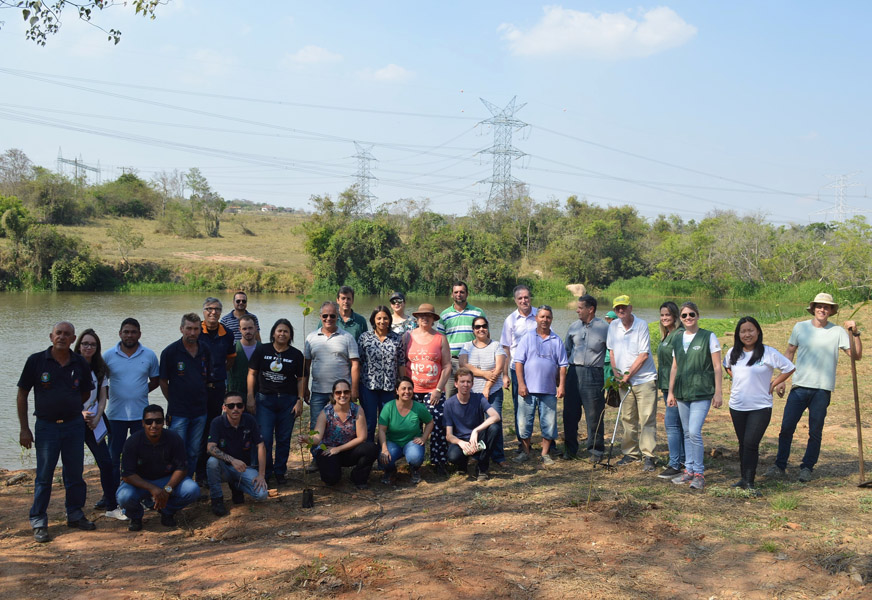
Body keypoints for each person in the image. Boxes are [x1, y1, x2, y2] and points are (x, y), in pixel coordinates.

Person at [766, 293, 861, 482]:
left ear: (831, 311)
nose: (822, 310)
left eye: (826, 307)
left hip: (822, 389)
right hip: (800, 386)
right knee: (786, 427)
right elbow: (790, 352)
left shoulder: (838, 332)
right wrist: (782, 379)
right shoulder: (800, 328)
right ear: (814, 308)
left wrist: (856, 334)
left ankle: (807, 467)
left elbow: (856, 355)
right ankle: (779, 465)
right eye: (819, 306)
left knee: (815, 431)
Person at [17, 321, 95, 543]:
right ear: (51, 337)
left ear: (73, 340)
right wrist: (24, 429)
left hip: (73, 425)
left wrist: (69, 408)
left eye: (67, 334)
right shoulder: (36, 361)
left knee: (75, 474)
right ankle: (39, 520)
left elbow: (84, 393)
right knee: (44, 476)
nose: (62, 337)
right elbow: (22, 395)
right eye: (58, 333)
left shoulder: (80, 362)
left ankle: (75, 514)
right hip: (46, 426)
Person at [724, 317, 795, 495]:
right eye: (743, 331)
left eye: (751, 330)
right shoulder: (733, 352)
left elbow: (789, 368)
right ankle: (743, 478)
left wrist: (774, 383)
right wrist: (738, 379)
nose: (747, 334)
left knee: (750, 442)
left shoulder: (768, 353)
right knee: (743, 443)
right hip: (737, 405)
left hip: (760, 406)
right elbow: (727, 367)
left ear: (758, 332)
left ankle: (749, 481)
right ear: (738, 334)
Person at [102, 318, 160, 509]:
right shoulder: (108, 356)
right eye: (126, 332)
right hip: (115, 416)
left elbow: (155, 380)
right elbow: (101, 385)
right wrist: (114, 395)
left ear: (139, 334)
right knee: (112, 459)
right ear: (120, 333)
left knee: (141, 459)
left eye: (133, 332)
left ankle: (142, 495)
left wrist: (139, 392)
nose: (129, 335)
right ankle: (110, 498)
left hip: (140, 417)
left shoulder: (149, 355)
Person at [666, 302, 723, 491]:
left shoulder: (708, 337)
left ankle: (699, 473)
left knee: (694, 431)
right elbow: (675, 367)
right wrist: (671, 392)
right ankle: (688, 470)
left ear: (698, 315)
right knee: (686, 431)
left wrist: (718, 391)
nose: (688, 318)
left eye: (691, 314)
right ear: (680, 319)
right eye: (684, 316)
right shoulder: (677, 338)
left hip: (702, 392)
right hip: (682, 393)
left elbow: (717, 367)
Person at [116, 405, 200, 531]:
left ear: (164, 422)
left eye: (158, 421)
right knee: (124, 496)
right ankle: (136, 516)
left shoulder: (174, 439)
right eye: (149, 421)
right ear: (143, 423)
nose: (154, 425)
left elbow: (181, 469)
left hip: (166, 480)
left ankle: (167, 511)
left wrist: (167, 490)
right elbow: (127, 475)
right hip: (140, 482)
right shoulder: (132, 442)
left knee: (192, 490)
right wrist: (152, 488)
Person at [74, 329, 125, 521]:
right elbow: (65, 396)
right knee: (75, 466)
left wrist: (97, 417)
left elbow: (103, 397)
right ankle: (75, 509)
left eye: (92, 344)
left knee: (106, 462)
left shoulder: (100, 368)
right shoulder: (71, 366)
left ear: (97, 348)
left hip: (94, 423)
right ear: (79, 345)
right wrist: (79, 412)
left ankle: (112, 505)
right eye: (85, 344)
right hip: (74, 422)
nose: (88, 347)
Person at [303, 301, 360, 471]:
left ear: (337, 317)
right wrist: (304, 388)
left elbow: (355, 365)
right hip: (318, 391)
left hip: (341, 394)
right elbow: (306, 366)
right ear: (320, 317)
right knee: (316, 427)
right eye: (325, 316)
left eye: (332, 316)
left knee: (343, 426)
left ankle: (342, 457)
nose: (329, 319)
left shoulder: (347, 337)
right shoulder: (311, 337)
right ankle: (318, 458)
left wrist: (354, 389)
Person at [246, 319, 304, 485]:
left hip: (288, 401)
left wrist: (299, 400)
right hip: (265, 400)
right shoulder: (262, 350)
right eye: (279, 331)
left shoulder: (296, 355)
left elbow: (301, 379)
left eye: (286, 331)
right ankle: (267, 471)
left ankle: (280, 472)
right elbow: (251, 373)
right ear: (273, 333)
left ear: (290, 335)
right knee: (265, 439)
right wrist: (250, 396)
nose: (282, 334)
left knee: (284, 438)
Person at [607, 295, 659, 471]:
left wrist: (627, 376)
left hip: (644, 379)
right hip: (624, 381)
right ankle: (631, 453)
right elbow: (612, 352)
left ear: (630, 308)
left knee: (646, 418)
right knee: (627, 417)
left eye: (623, 307)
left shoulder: (641, 325)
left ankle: (649, 456)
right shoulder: (613, 326)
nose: (620, 310)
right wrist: (617, 374)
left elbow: (643, 355)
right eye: (617, 308)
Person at [513, 305, 568, 465]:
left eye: (548, 317)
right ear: (536, 318)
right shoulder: (527, 338)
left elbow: (563, 365)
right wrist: (521, 384)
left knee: (549, 422)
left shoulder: (556, 340)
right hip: (527, 390)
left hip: (549, 390)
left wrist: (561, 386)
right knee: (524, 422)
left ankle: (545, 453)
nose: (545, 320)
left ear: (551, 319)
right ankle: (525, 452)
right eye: (542, 316)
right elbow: (518, 362)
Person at [159, 313, 211, 477]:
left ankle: (187, 483)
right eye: (188, 328)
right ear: (181, 329)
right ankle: (174, 486)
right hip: (178, 412)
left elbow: (207, 378)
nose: (192, 333)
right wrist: (173, 402)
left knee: (194, 451)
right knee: (176, 451)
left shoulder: (205, 350)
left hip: (200, 411)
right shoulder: (170, 352)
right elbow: (163, 382)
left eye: (196, 329)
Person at [301, 379, 378, 489]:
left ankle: (358, 477)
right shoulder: (326, 412)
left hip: (348, 449)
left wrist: (339, 449)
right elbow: (317, 437)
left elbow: (362, 437)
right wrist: (307, 439)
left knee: (371, 448)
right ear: (333, 395)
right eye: (338, 392)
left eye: (346, 392)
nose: (342, 395)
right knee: (331, 480)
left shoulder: (357, 409)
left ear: (350, 393)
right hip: (328, 451)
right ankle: (331, 471)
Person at [405, 303, 452, 474]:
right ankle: (414, 462)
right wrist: (406, 389)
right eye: (421, 315)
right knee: (413, 426)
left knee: (438, 424)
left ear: (433, 319)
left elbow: (447, 366)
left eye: (428, 316)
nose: (424, 318)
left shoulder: (440, 338)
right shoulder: (407, 337)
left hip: (433, 391)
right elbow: (403, 363)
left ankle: (438, 461)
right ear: (416, 318)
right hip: (413, 392)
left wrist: (438, 390)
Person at [206, 391, 269, 517]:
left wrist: (261, 475)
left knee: (262, 494)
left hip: (244, 468)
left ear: (243, 407)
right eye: (231, 406)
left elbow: (261, 446)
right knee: (212, 462)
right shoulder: (217, 422)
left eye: (239, 405)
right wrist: (232, 460)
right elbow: (210, 448)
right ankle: (217, 499)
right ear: (224, 408)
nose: (235, 409)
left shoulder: (249, 420)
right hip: (224, 467)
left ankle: (237, 486)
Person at [564, 294, 609, 462]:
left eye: (580, 308)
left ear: (591, 309)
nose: (577, 310)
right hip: (573, 373)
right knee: (570, 413)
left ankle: (596, 451)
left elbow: (612, 352)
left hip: (594, 374)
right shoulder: (573, 327)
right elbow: (566, 350)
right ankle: (570, 449)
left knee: (594, 414)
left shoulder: (604, 328)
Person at [196, 297, 237, 483]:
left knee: (214, 429)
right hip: (198, 390)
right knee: (198, 430)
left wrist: (219, 374)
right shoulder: (196, 332)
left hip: (218, 388)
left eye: (217, 309)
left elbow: (230, 359)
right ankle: (199, 472)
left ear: (221, 312)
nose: (213, 312)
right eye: (209, 309)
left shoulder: (227, 334)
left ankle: (212, 470)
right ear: (203, 311)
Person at [459, 315, 507, 464]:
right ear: (473, 330)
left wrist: (487, 388)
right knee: (474, 423)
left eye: (484, 326)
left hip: (493, 391)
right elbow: (463, 365)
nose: (481, 329)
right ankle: (475, 453)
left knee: (495, 423)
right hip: (473, 392)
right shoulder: (467, 346)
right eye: (477, 327)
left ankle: (498, 456)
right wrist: (484, 373)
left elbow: (498, 368)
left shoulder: (496, 345)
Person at [358, 305, 406, 442]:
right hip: (368, 386)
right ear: (373, 320)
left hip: (389, 388)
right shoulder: (364, 338)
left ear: (390, 320)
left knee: (387, 422)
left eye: (385, 318)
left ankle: (384, 454)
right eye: (378, 318)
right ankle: (367, 453)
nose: (382, 321)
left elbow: (401, 362)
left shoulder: (397, 339)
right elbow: (359, 362)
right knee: (369, 421)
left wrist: (402, 384)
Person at [444, 368, 502, 481]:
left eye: (468, 382)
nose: (465, 384)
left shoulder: (479, 398)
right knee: (453, 456)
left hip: (477, 437)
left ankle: (482, 467)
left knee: (494, 428)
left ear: (472, 384)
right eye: (462, 381)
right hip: (461, 440)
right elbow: (449, 435)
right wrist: (461, 443)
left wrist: (476, 431)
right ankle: (463, 464)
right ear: (456, 384)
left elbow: (496, 416)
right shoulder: (449, 403)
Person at [500, 285, 538, 456]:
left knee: (542, 405)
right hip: (517, 369)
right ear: (515, 300)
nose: (524, 300)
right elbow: (506, 349)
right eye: (520, 298)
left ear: (530, 298)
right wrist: (505, 374)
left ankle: (548, 443)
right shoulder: (510, 320)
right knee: (520, 408)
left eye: (526, 297)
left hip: (538, 370)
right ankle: (522, 444)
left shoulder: (540, 315)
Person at [378, 376, 434, 485]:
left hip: (411, 442)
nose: (407, 392)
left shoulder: (419, 407)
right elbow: (381, 430)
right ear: (397, 391)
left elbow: (430, 422)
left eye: (409, 389)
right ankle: (390, 471)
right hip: (392, 442)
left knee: (415, 457)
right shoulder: (389, 407)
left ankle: (414, 469)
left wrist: (424, 437)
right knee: (384, 457)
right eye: (403, 388)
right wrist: (384, 448)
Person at [437, 280, 485, 398]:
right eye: (456, 292)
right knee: (450, 397)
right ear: (452, 294)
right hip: (451, 362)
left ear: (467, 294)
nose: (459, 294)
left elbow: (485, 337)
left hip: (472, 360)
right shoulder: (444, 315)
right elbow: (439, 340)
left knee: (474, 396)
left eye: (462, 292)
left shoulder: (477, 312)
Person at [656, 302, 686, 480]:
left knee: (672, 424)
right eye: (662, 315)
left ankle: (675, 464)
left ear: (675, 315)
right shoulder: (666, 334)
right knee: (678, 424)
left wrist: (673, 391)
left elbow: (680, 363)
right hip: (666, 385)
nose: (664, 318)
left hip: (675, 387)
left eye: (667, 315)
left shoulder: (679, 335)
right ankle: (681, 460)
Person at [226, 314, 259, 397]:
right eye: (244, 329)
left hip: (258, 395)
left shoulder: (263, 349)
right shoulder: (232, 349)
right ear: (239, 329)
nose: (247, 331)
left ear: (255, 328)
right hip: (236, 394)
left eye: (250, 328)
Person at [603, 310, 617, 383]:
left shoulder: (616, 330)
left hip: (610, 359)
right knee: (606, 378)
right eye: (606, 318)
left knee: (610, 379)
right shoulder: (606, 328)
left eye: (608, 318)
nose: (607, 320)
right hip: (606, 359)